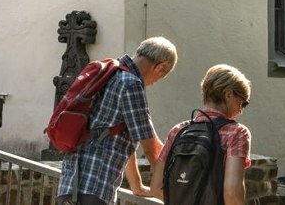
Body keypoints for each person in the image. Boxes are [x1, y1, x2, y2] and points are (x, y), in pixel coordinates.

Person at [58, 37, 177, 205]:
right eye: (159, 78)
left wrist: (136, 186)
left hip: (69, 185)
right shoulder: (131, 84)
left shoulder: (110, 74)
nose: (152, 84)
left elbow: (121, 137)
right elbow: (150, 148)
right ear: (161, 67)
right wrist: (174, 191)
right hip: (95, 187)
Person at [148, 64, 253, 205]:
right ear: (229, 94)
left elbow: (155, 187)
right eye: (242, 103)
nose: (241, 111)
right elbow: (232, 194)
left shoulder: (178, 130)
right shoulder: (237, 132)